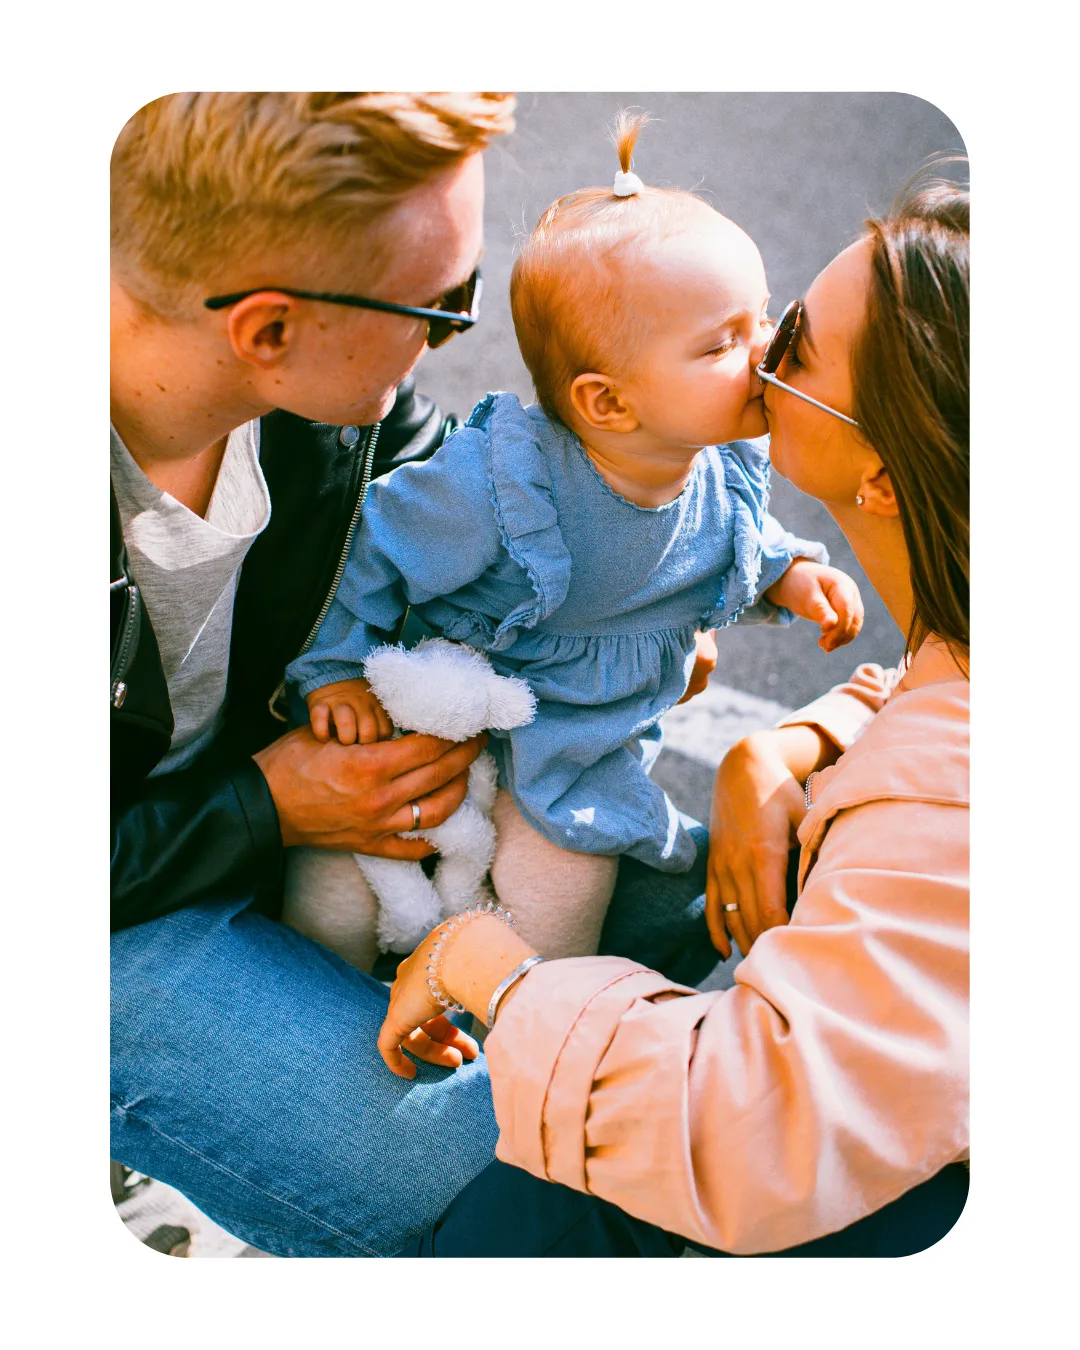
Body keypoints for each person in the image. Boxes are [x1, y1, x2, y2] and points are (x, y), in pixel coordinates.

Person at [109, 91, 722, 1258]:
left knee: (704, 937)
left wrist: (635, 602)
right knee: (501, 1165)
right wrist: (264, 808)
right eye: (440, 304)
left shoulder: (335, 413)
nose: (458, 334)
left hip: (307, 820)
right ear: (270, 331)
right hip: (126, 906)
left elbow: (491, 504)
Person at [382, 169, 971, 1258]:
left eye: (792, 340)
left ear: (884, 476)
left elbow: (748, 1132)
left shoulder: (944, 801)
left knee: (512, 1207)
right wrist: (784, 746)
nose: (760, 357)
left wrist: (481, 961)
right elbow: (928, 709)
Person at [282, 113, 863, 966]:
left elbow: (740, 539)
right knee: (343, 889)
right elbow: (375, 546)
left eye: (764, 317)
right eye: (723, 343)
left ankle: (515, 1024)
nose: (766, 350)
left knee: (562, 899)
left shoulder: (723, 465)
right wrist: (335, 670)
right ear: (609, 403)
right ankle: (312, 996)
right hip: (445, 710)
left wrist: (790, 576)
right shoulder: (501, 481)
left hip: (579, 750)